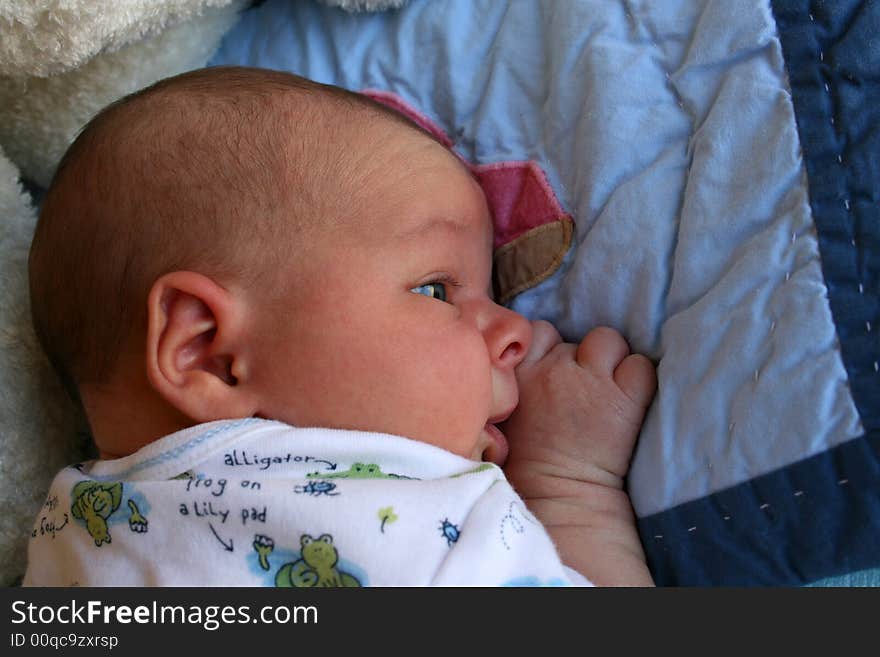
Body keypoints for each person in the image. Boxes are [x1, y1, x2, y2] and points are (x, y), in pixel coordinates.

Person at [23, 66, 656, 587]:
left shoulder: (67, 547)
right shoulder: (403, 525)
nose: (515, 330)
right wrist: (570, 487)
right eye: (436, 289)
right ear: (210, 353)